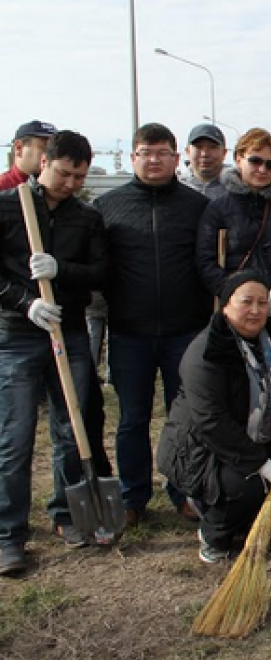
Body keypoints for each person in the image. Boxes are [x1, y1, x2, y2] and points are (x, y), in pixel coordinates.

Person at [0, 130, 107, 576]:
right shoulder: (7, 207)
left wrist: (62, 270)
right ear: (43, 162)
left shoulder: (86, 217)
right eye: (64, 174)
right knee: (15, 438)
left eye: (80, 177)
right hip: (17, 336)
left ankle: (67, 514)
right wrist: (25, 302)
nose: (71, 184)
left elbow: (100, 272)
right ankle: (8, 535)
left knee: (71, 429)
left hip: (70, 332)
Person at [94, 122, 211, 524]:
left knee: (185, 416)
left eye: (162, 153)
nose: (154, 160)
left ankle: (183, 490)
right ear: (133, 158)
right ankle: (132, 496)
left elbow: (207, 262)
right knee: (132, 418)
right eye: (146, 153)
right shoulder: (108, 206)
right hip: (129, 332)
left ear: (177, 159)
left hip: (185, 330)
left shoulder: (196, 207)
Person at [157, 271, 271, 564]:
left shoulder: (269, 343)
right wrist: (260, 463)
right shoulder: (207, 352)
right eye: (246, 302)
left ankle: (240, 517)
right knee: (248, 484)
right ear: (226, 305)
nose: (255, 310)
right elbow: (210, 421)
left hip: (249, 439)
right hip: (199, 450)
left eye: (262, 302)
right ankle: (213, 534)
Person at [196, 128, 271, 368]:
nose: (262, 169)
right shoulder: (218, 208)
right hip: (235, 313)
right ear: (239, 159)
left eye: (270, 164)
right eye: (255, 161)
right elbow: (205, 260)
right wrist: (232, 293)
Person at [0, 120, 56, 191]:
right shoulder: (3, 187)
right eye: (46, 148)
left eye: (56, 150)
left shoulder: (61, 188)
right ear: (18, 148)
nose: (53, 155)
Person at [178, 124, 228, 200]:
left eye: (213, 147)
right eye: (198, 147)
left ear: (224, 153)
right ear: (188, 151)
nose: (205, 154)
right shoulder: (174, 187)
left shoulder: (238, 189)